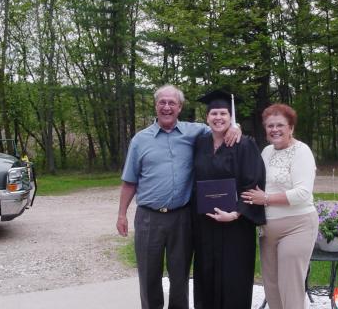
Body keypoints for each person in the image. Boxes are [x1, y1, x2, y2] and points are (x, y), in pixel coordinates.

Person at [116, 85, 241, 309]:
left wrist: (236, 127)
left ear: (180, 107)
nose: (166, 107)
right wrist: (121, 214)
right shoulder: (140, 140)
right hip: (148, 218)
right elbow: (129, 182)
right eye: (162, 102)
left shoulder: (195, 132)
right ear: (156, 106)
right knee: (148, 275)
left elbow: (219, 126)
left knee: (180, 275)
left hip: (182, 217)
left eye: (172, 103)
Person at [192, 90, 266, 309]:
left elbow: (253, 183)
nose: (218, 117)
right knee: (206, 274)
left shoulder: (245, 145)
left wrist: (235, 213)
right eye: (213, 113)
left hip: (236, 226)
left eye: (223, 113)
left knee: (234, 278)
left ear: (231, 116)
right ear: (206, 118)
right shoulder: (200, 143)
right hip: (205, 224)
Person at [241, 103, 319, 309]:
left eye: (280, 125)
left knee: (290, 285)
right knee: (272, 286)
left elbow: (302, 193)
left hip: (297, 227)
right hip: (268, 230)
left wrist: (265, 198)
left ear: (291, 127)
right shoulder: (266, 152)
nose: (274, 129)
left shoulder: (302, 152)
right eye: (270, 126)